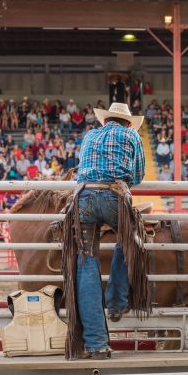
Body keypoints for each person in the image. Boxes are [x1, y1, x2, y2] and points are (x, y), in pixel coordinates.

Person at [70, 102, 145, 359]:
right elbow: (137, 175)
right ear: (127, 122)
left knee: (86, 262)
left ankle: (96, 344)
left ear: (106, 120)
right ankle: (116, 303)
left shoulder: (90, 135)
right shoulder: (131, 135)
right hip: (113, 197)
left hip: (83, 199)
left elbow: (81, 169)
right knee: (130, 242)